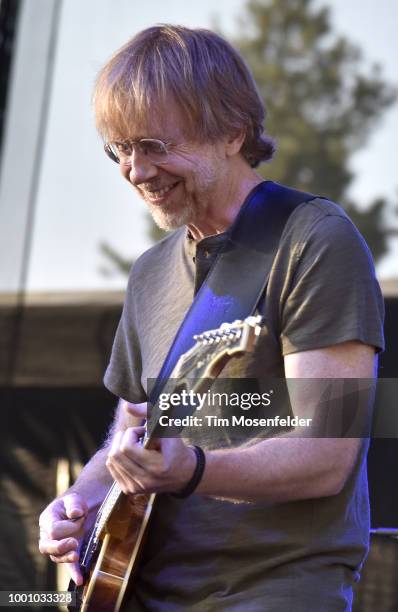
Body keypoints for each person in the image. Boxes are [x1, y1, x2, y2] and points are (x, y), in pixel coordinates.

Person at [38, 25, 384, 611]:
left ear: (232, 130)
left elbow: (327, 456)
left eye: (153, 145)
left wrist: (190, 469)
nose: (136, 171)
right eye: (120, 149)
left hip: (272, 591)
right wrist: (77, 502)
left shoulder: (315, 239)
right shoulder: (149, 274)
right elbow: (134, 429)